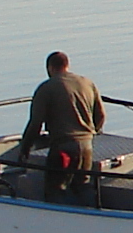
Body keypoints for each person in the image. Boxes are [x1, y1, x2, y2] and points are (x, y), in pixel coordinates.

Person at [23, 49, 106, 198]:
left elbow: (35, 124)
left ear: (50, 68)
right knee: (82, 186)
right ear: (67, 65)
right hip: (86, 147)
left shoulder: (46, 88)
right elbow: (100, 115)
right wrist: (91, 134)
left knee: (55, 189)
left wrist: (25, 149)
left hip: (63, 149)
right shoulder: (87, 83)